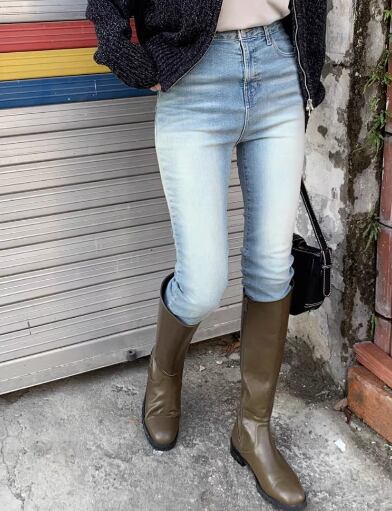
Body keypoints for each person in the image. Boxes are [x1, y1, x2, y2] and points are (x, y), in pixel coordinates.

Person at [86, 1, 327, 508]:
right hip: (194, 75)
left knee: (272, 267)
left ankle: (253, 429)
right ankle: (164, 369)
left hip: (278, 65)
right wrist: (129, 57)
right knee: (201, 283)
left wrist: (310, 58)